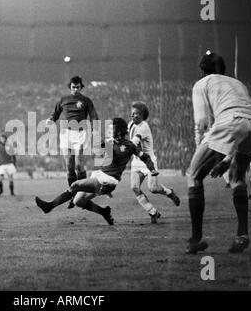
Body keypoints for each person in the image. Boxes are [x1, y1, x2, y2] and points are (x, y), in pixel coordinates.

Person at [186, 51, 251, 254]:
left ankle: (196, 239)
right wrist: (225, 160)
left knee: (194, 175)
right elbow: (242, 124)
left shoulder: (201, 84)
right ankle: (242, 235)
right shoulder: (238, 83)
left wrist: (199, 154)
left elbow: (202, 123)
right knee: (238, 177)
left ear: (202, 70)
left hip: (230, 121)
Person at [35, 117, 159, 225]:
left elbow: (145, 157)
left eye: (112, 129)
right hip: (101, 177)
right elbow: (98, 146)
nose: (109, 131)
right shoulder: (110, 142)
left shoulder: (129, 145)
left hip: (108, 181)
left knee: (75, 185)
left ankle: (49, 206)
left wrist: (152, 169)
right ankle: (104, 212)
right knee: (78, 201)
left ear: (119, 130)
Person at [46, 76, 99, 208]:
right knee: (69, 165)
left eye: (78, 87)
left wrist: (95, 129)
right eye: (73, 87)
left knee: (78, 165)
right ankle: (73, 194)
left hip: (80, 133)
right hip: (66, 134)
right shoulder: (63, 100)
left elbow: (93, 115)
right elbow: (56, 113)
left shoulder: (86, 101)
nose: (75, 89)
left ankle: (81, 192)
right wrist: (51, 119)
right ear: (70, 87)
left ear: (81, 87)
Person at [127, 101, 180, 223]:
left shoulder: (144, 127)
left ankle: (169, 192)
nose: (133, 116)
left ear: (142, 116)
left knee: (153, 188)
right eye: (132, 113)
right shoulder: (131, 124)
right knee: (134, 188)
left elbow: (134, 142)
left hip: (148, 161)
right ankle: (153, 212)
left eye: (136, 114)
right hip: (136, 161)